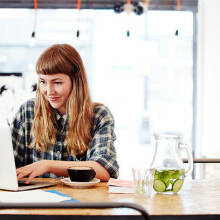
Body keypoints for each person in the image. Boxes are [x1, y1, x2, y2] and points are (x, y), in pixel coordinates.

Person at [11, 44, 119, 184]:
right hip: (35, 201)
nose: (49, 91)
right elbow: (8, 166)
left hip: (83, 202)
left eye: (57, 82)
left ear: (75, 82)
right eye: (43, 82)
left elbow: (104, 170)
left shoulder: (99, 115)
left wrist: (47, 165)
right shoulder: (27, 111)